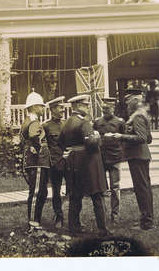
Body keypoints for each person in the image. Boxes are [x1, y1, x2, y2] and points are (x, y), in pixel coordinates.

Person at [58, 94, 110, 236]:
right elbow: (91, 144)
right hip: (89, 164)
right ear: (78, 107)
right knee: (97, 196)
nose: (87, 107)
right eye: (85, 105)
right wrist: (98, 137)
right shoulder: (84, 122)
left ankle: (73, 228)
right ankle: (103, 229)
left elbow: (60, 142)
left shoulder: (67, 123)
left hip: (73, 164)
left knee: (75, 196)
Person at [111, 94, 154, 230]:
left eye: (128, 101)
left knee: (142, 189)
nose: (127, 104)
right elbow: (149, 138)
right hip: (140, 156)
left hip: (138, 157)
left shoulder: (137, 116)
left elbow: (142, 138)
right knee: (144, 188)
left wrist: (121, 136)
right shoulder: (141, 114)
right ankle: (146, 219)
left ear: (135, 101)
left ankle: (147, 223)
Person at [20, 89, 50, 230]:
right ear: (33, 107)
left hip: (36, 161)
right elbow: (33, 136)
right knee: (37, 192)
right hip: (37, 161)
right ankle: (33, 223)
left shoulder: (30, 120)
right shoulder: (34, 121)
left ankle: (36, 220)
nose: (43, 108)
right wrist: (37, 148)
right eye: (40, 105)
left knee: (42, 192)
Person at [93, 97, 125, 224]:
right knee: (101, 188)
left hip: (115, 158)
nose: (106, 110)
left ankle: (115, 215)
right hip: (101, 158)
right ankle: (103, 213)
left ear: (114, 108)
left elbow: (123, 139)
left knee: (115, 187)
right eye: (104, 108)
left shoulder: (120, 122)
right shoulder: (97, 122)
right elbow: (94, 137)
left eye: (108, 108)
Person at [43, 96, 67, 228]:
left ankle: (74, 218)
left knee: (73, 190)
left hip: (68, 162)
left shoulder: (66, 124)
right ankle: (59, 216)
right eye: (60, 107)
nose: (62, 110)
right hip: (55, 164)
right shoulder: (46, 126)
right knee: (56, 192)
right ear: (52, 110)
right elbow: (44, 146)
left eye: (63, 107)